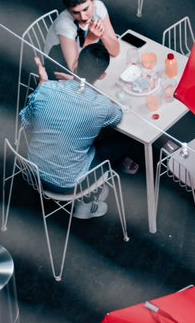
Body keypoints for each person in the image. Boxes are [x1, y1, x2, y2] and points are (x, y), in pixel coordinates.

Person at [19, 44, 123, 218]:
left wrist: (42, 87)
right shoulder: (101, 105)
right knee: (121, 140)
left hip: (32, 171)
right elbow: (117, 117)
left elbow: (26, 122)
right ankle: (87, 200)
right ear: (102, 75)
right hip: (68, 185)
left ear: (75, 65)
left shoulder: (45, 89)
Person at [44, 0, 120, 75]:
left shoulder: (99, 7)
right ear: (68, 10)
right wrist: (90, 40)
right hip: (58, 65)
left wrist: (103, 35)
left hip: (83, 58)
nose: (83, 17)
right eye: (75, 12)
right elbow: (76, 70)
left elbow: (115, 51)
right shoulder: (64, 24)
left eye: (85, 9)